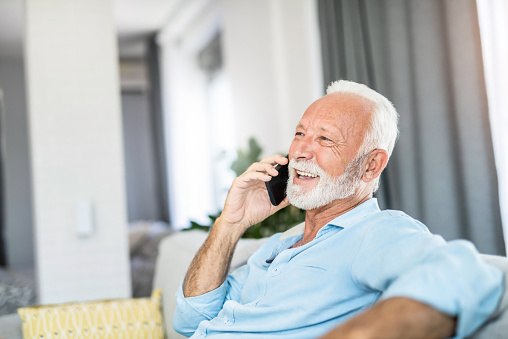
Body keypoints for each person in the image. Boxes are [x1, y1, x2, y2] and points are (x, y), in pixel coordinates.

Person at [173, 80, 503, 339]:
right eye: (300, 133)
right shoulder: (279, 246)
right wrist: (231, 224)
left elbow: (463, 274)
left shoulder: (376, 233)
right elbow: (190, 319)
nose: (301, 150)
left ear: (371, 165)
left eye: (325, 140)